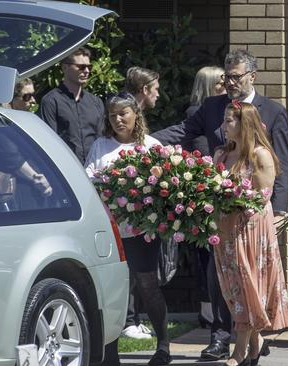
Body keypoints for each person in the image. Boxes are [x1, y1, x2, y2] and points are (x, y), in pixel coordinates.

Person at [152, 49, 288, 361]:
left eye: (236, 77)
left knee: (251, 280)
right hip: (224, 221)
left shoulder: (272, 111)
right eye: (226, 77)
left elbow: (280, 161)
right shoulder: (213, 106)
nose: (230, 82)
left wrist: (280, 208)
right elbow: (182, 132)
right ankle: (221, 336)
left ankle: (245, 345)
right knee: (222, 280)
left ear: (252, 77)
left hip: (255, 219)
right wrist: (143, 140)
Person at [85, 92, 171, 366]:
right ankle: (110, 353)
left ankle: (164, 346)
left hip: (141, 231)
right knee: (110, 290)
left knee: (147, 285)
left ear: (136, 114)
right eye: (113, 115)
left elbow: (166, 188)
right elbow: (89, 180)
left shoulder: (151, 146)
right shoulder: (100, 146)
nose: (118, 119)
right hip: (109, 232)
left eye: (123, 113)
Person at [214, 101, 288, 366]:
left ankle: (239, 352)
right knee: (235, 289)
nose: (224, 126)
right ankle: (255, 346)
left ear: (244, 124)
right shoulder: (222, 156)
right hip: (225, 231)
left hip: (251, 229)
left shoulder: (260, 155)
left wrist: (232, 198)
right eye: (225, 121)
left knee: (249, 287)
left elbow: (262, 195)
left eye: (229, 121)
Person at [118, 66, 162, 341]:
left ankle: (133, 319)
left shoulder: (144, 128)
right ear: (145, 90)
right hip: (123, 209)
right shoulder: (123, 113)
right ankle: (128, 319)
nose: (159, 95)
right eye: (156, 89)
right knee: (128, 268)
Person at [186, 65, 226, 328]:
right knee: (206, 254)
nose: (225, 87)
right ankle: (208, 310)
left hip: (214, 190)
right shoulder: (198, 113)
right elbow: (202, 153)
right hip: (203, 193)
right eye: (220, 83)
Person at [38, 47, 105, 164]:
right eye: (81, 67)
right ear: (65, 67)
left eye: (89, 67)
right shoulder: (51, 101)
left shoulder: (96, 102)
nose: (87, 71)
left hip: (95, 170)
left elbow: (102, 139)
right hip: (67, 169)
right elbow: (49, 142)